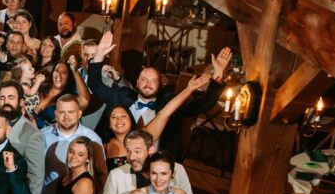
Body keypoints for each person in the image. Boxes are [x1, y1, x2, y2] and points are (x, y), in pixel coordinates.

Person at [85, 31, 230, 156]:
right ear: (136, 82)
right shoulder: (121, 95)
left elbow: (204, 104)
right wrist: (98, 56)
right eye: (144, 79)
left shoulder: (169, 104)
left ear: (160, 85)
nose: (147, 84)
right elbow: (95, 84)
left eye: (153, 81)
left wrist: (218, 72)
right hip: (114, 157)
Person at [102, 73, 213, 167]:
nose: (119, 120)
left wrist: (189, 89)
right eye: (114, 117)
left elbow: (165, 113)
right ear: (108, 124)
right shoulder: (102, 146)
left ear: (131, 120)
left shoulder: (142, 137)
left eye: (123, 116)